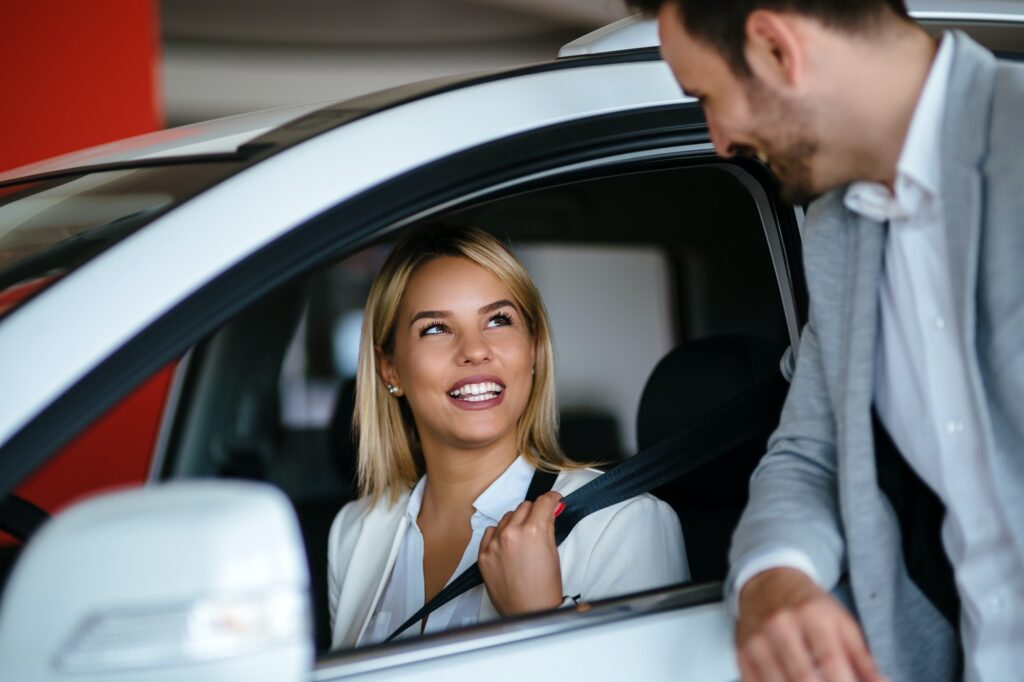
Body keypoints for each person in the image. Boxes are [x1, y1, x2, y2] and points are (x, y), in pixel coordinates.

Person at [626, 1, 1024, 680]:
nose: (718, 140)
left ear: (776, 47)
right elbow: (813, 451)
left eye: (706, 97)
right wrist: (773, 575)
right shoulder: (838, 226)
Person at [326, 224, 688, 649]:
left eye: (499, 320)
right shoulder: (352, 532)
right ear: (390, 369)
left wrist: (538, 618)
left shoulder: (622, 525)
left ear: (532, 348)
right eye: (436, 328)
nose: (475, 350)